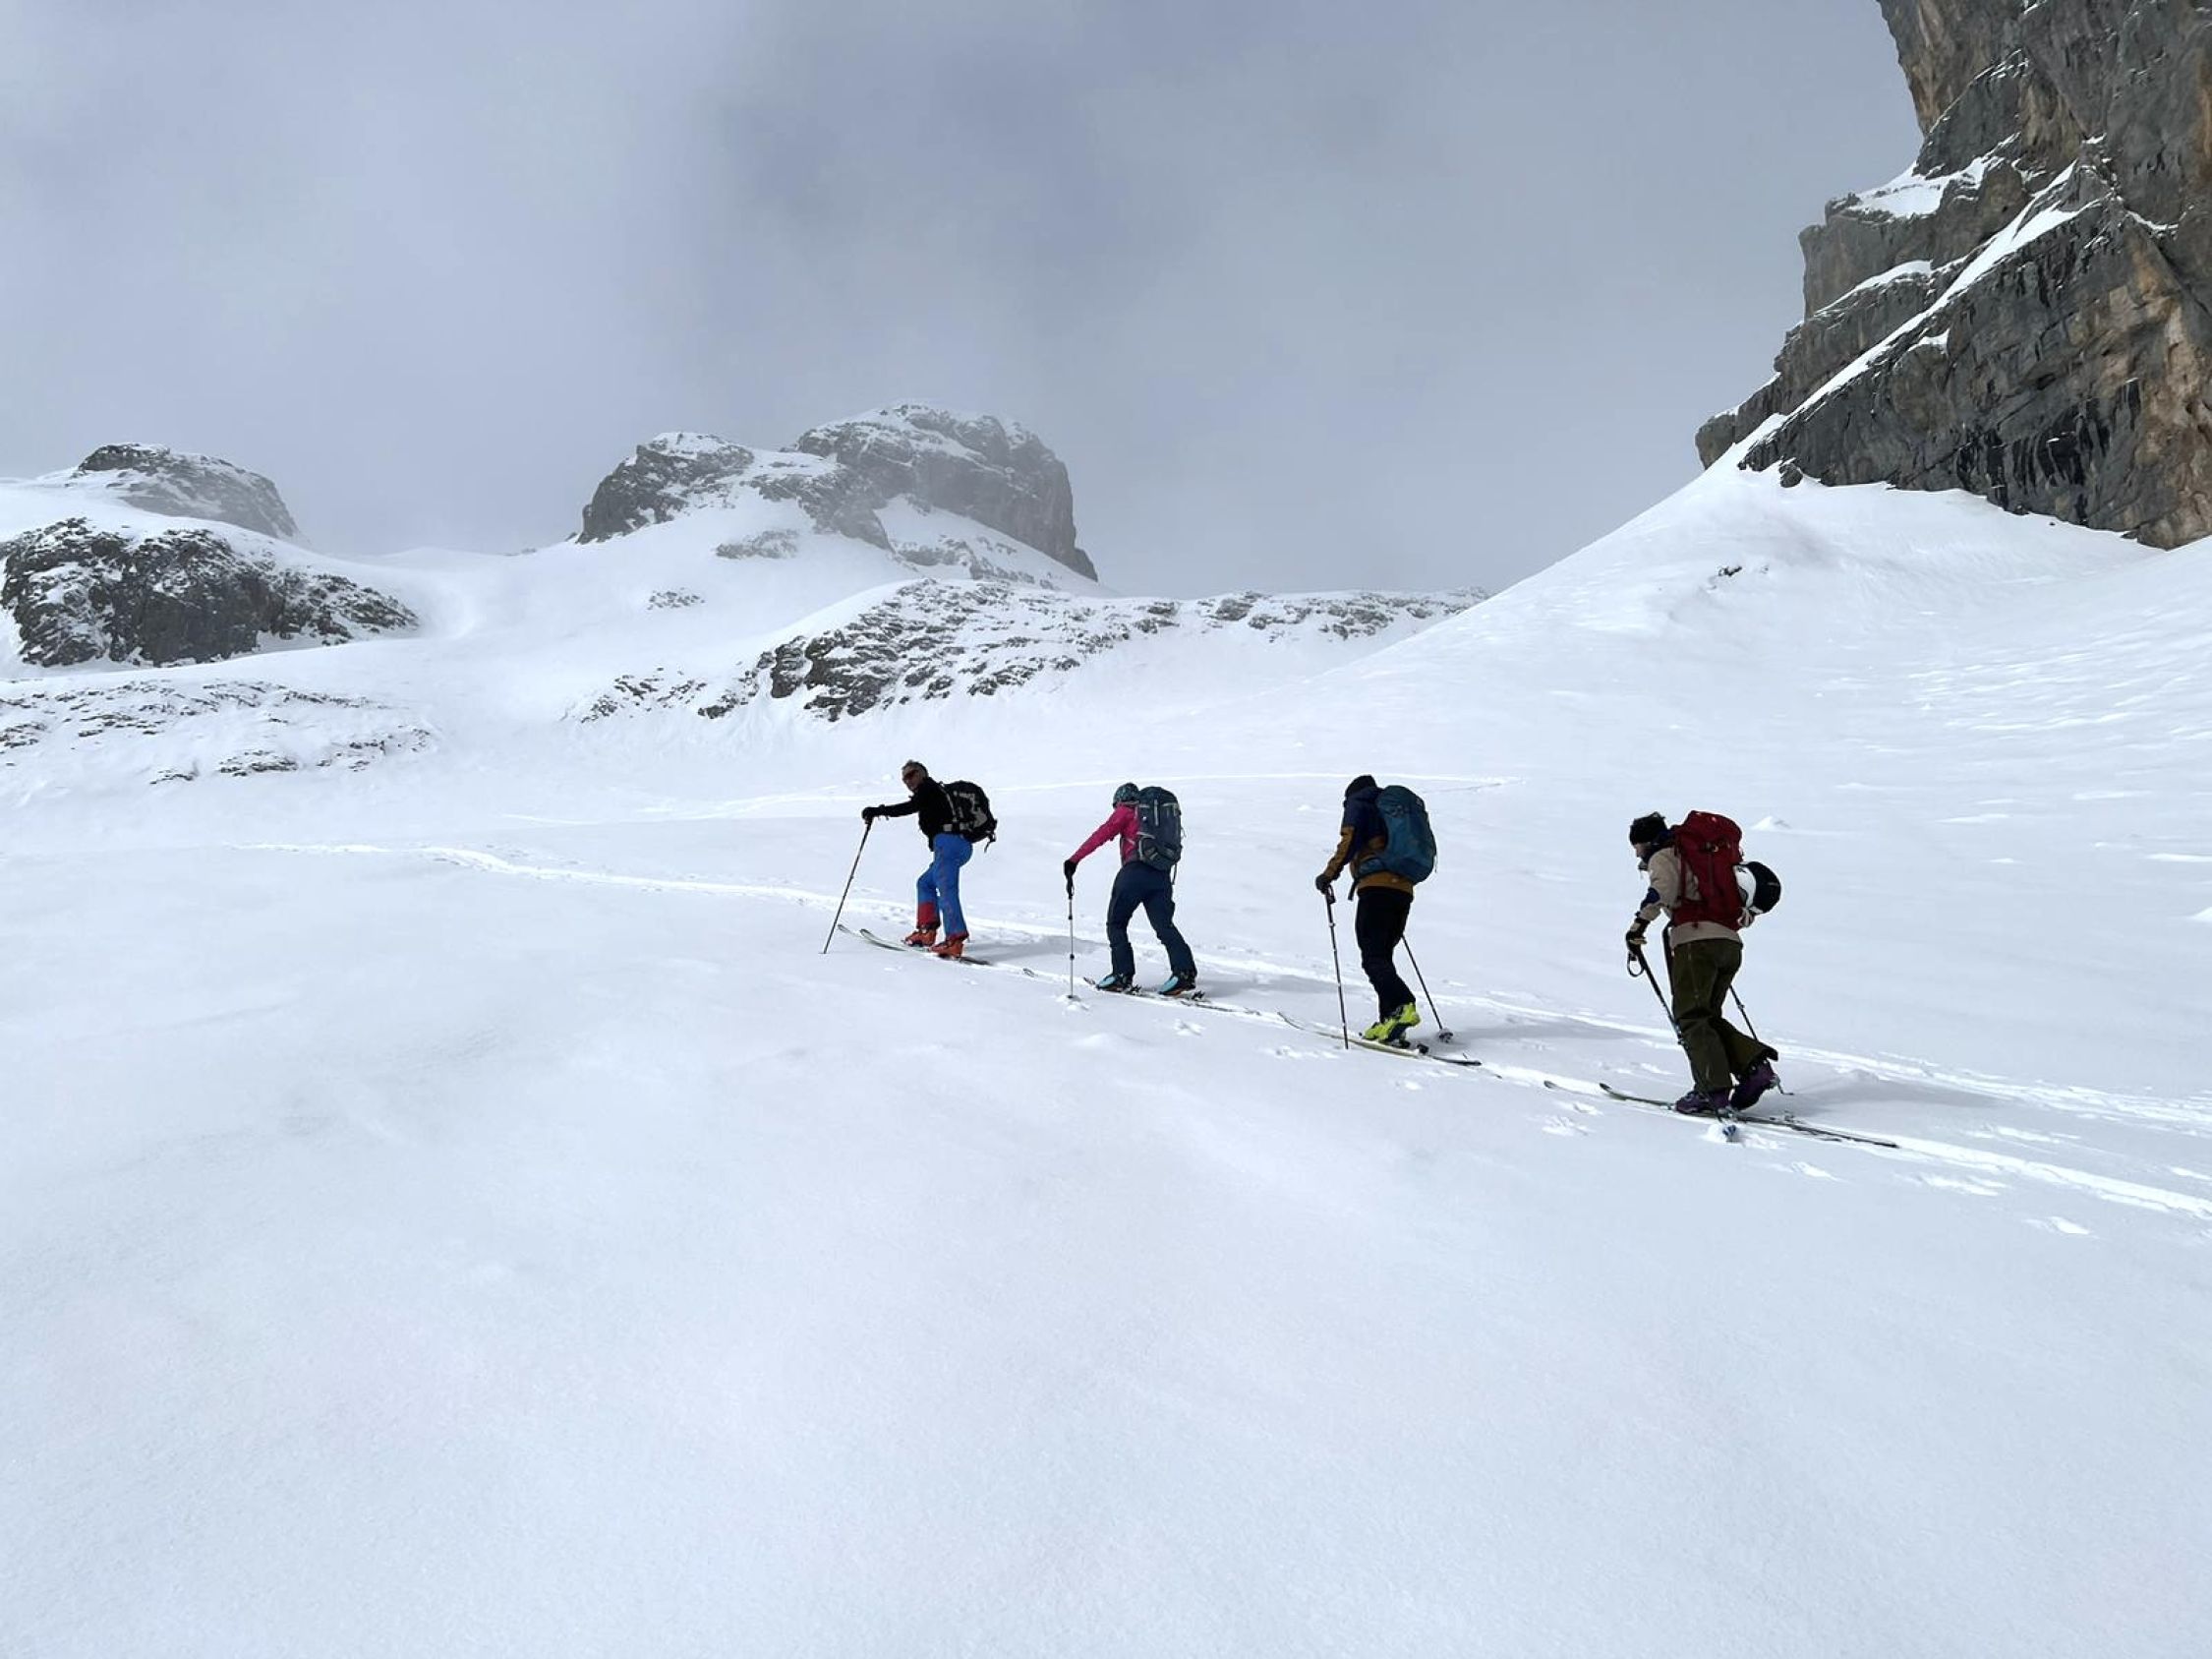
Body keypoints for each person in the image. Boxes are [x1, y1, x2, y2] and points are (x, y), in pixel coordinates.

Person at [1626, 810, 1780, 1114]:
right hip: (1729, 944)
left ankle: (1712, 1090)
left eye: (1636, 848)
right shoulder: (1702, 857)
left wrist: (1638, 925)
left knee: (1691, 1017)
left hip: (1696, 942)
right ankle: (1754, 1068)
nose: (1636, 855)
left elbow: (1663, 890)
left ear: (1645, 842)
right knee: (1707, 1016)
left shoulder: (1664, 856)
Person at [1064, 782, 1197, 995]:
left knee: (1116, 923)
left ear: (1120, 800)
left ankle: (1121, 975)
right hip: (1161, 876)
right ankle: (1184, 972)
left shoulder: (1125, 811)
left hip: (1134, 874)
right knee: (1164, 927)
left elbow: (1101, 834)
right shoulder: (1155, 817)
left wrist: (1073, 861)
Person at [1315, 774, 1418, 1042]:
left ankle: (1402, 1005)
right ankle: (1391, 1024)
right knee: (1382, 956)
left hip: (1376, 888)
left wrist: (1328, 875)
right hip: (1402, 890)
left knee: (1372, 957)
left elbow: (1348, 841)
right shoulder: (1391, 809)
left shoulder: (1360, 803)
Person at [863, 760, 970, 959]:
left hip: (948, 843)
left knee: (946, 888)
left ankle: (954, 940)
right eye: (904, 778)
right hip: (956, 845)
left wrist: (879, 810)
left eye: (911, 775)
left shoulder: (928, 789)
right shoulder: (932, 792)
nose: (907, 780)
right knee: (926, 883)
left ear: (922, 774)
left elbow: (910, 807)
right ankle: (926, 931)